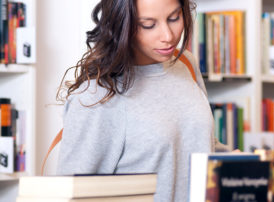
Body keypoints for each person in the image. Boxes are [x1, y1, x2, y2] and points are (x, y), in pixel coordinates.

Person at [56, 0, 229, 201]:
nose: (168, 36)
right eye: (148, 24)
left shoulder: (185, 64)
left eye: (174, 18)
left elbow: (196, 140)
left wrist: (237, 162)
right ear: (121, 24)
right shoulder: (97, 96)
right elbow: (70, 194)